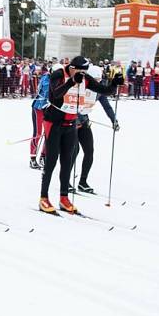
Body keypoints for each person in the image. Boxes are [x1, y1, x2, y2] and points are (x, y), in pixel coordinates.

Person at [38, 56, 123, 214]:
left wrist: (114, 83)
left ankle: (64, 197)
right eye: (80, 71)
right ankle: (44, 197)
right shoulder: (59, 74)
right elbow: (54, 95)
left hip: (71, 124)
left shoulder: (84, 77)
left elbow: (103, 91)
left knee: (67, 161)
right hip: (54, 122)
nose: (83, 74)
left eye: (85, 71)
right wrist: (71, 82)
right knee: (51, 162)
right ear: (72, 67)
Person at [72, 66, 119, 194]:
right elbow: (71, 105)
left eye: (99, 79)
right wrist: (78, 118)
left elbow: (107, 107)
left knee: (89, 151)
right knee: (74, 150)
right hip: (72, 120)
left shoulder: (98, 91)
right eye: (95, 79)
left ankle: (83, 182)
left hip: (84, 120)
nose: (97, 82)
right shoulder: (79, 87)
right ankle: (66, 181)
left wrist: (113, 120)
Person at [29, 65, 52, 169]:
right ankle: (33, 158)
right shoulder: (46, 77)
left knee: (48, 134)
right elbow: (46, 92)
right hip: (39, 107)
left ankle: (43, 156)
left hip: (49, 109)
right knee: (38, 133)